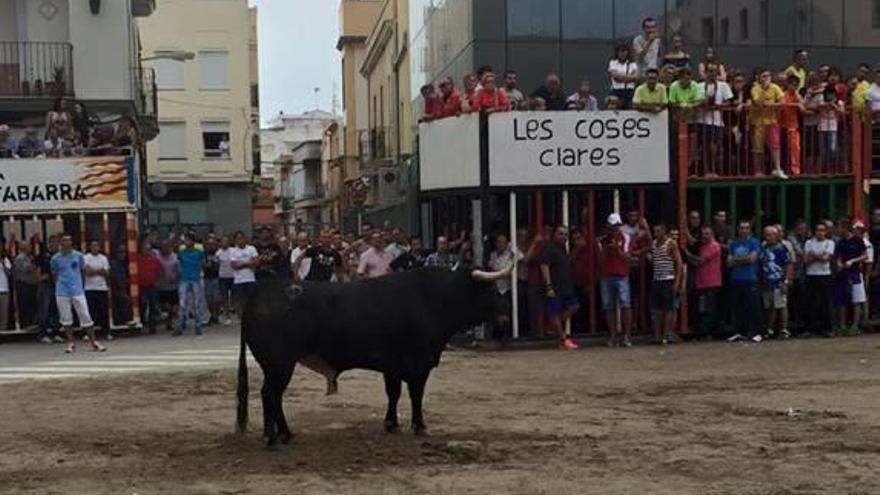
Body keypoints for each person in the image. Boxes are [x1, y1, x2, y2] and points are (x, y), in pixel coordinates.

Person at [51, 234, 105, 353]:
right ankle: (70, 343)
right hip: (62, 291)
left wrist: (80, 285)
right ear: (61, 243)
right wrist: (59, 286)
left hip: (77, 290)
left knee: (85, 315)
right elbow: (54, 274)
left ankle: (93, 341)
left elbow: (82, 270)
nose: (67, 243)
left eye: (69, 240)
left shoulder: (78, 256)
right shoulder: (55, 258)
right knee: (66, 318)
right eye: (64, 240)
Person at [540, 226, 579, 350]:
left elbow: (566, 262)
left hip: (565, 286)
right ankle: (562, 338)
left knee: (573, 306)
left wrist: (577, 248)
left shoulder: (562, 248)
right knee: (554, 312)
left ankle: (553, 327)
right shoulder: (549, 248)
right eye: (561, 234)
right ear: (554, 234)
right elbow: (544, 267)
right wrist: (549, 286)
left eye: (565, 234)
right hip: (555, 286)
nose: (564, 237)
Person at [598, 213, 632, 347]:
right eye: (612, 227)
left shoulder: (625, 237)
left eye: (616, 226)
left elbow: (627, 258)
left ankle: (627, 335)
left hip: (621, 274)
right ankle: (613, 335)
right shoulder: (601, 240)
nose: (614, 229)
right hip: (606, 275)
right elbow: (599, 261)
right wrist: (607, 248)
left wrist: (616, 249)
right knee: (608, 306)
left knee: (625, 304)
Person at [648, 224, 684, 345]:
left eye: (658, 231)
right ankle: (657, 335)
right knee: (656, 309)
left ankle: (666, 334)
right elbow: (655, 259)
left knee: (668, 308)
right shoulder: (653, 244)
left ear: (664, 232)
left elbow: (678, 262)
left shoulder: (670, 243)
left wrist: (677, 281)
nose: (656, 233)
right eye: (655, 231)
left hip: (668, 279)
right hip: (657, 279)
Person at [727, 220, 762, 342]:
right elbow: (729, 262)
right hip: (736, 278)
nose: (744, 230)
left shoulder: (754, 242)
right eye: (742, 228)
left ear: (750, 230)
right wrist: (743, 260)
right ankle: (739, 331)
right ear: (738, 229)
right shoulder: (734, 243)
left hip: (750, 278)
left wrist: (737, 260)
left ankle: (756, 332)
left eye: (746, 228)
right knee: (737, 307)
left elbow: (752, 259)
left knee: (752, 306)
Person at [697, 64, 733, 176]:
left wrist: (719, 105)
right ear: (706, 72)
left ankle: (714, 170)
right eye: (709, 71)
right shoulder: (699, 86)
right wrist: (703, 103)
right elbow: (696, 101)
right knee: (704, 147)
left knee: (714, 147)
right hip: (702, 120)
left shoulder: (723, 85)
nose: (712, 73)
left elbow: (729, 101)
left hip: (717, 121)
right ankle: (707, 171)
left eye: (714, 71)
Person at [750, 68, 787, 179]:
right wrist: (764, 91)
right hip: (758, 122)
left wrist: (770, 105)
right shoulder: (755, 89)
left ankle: (778, 169)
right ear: (759, 78)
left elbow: (782, 103)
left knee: (775, 145)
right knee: (758, 148)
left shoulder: (775, 87)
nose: (766, 79)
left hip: (772, 121)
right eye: (764, 76)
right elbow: (759, 103)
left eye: (768, 76)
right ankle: (758, 171)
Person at [834, 219, 867, 337]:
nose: (837, 230)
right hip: (843, 273)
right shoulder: (840, 242)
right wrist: (838, 263)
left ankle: (855, 325)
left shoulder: (858, 241)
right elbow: (838, 256)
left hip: (855, 273)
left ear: (845, 228)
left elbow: (864, 255)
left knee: (856, 300)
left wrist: (852, 261)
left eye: (839, 228)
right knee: (842, 299)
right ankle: (842, 326)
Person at [689, 226, 722, 339]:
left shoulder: (714, 246)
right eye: (703, 234)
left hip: (711, 282)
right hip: (701, 282)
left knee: (710, 309)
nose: (704, 236)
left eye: (707, 234)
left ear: (712, 234)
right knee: (702, 308)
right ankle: (702, 331)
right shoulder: (702, 246)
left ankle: (709, 332)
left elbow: (700, 261)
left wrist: (687, 254)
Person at [760, 226, 793, 339]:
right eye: (766, 234)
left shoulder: (782, 248)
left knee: (781, 305)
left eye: (770, 235)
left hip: (778, 281)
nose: (768, 237)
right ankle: (770, 329)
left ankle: (784, 329)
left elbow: (788, 265)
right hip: (766, 281)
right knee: (769, 306)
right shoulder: (763, 248)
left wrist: (786, 281)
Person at [803, 222, 835, 336]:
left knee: (825, 303)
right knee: (811, 302)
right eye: (818, 230)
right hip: (811, 275)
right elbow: (806, 260)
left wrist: (814, 256)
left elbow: (826, 258)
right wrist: (819, 256)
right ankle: (810, 328)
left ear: (826, 232)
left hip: (824, 275)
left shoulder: (830, 243)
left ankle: (827, 328)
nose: (820, 232)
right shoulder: (809, 242)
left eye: (822, 230)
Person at [176, 233, 208, 335]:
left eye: (189, 240)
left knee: (197, 303)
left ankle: (198, 325)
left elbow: (203, 263)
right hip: (184, 279)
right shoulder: (181, 253)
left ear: (193, 241)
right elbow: (179, 265)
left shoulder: (199, 252)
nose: (187, 242)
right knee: (182, 303)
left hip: (195, 279)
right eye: (186, 240)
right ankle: (180, 325)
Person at [488, 234, 517, 342]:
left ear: (507, 244)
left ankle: (505, 335)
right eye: (498, 242)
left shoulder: (510, 255)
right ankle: (498, 333)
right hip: (495, 288)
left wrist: (497, 273)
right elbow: (491, 268)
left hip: (506, 289)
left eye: (503, 242)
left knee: (505, 312)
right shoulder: (493, 255)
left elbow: (508, 272)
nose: (500, 244)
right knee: (495, 313)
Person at [83, 240, 111, 339]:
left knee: (103, 312)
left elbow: (106, 273)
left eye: (97, 246)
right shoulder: (85, 258)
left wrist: (94, 270)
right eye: (93, 245)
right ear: (90, 247)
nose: (95, 247)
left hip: (102, 288)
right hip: (89, 288)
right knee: (90, 312)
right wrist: (99, 271)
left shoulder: (103, 258)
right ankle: (89, 333)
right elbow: (86, 272)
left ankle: (106, 332)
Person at [36, 236, 62, 342]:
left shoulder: (60, 256)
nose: (54, 245)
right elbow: (37, 269)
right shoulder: (43, 255)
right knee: (44, 311)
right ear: (49, 243)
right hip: (45, 285)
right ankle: (43, 334)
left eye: (56, 242)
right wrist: (39, 278)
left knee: (56, 310)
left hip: (58, 285)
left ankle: (56, 332)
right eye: (52, 242)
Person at [780, 74, 804, 176]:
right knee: (783, 149)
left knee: (795, 148)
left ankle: (795, 170)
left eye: (796, 85)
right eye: (791, 84)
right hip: (782, 126)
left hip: (793, 126)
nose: (793, 87)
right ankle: (784, 169)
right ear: (788, 84)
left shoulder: (797, 95)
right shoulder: (783, 95)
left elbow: (803, 107)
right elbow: (782, 105)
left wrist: (798, 101)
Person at [229, 231, 259, 315]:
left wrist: (242, 263)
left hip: (250, 279)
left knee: (252, 302)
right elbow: (234, 266)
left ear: (245, 238)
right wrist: (249, 263)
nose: (240, 240)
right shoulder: (233, 251)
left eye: (241, 238)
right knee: (240, 303)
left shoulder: (251, 248)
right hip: (238, 281)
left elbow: (256, 262)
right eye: (237, 239)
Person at [137, 239, 163, 334]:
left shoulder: (154, 260)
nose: (146, 250)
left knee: (153, 305)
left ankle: (152, 326)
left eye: (148, 249)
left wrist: (158, 281)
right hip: (141, 285)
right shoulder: (137, 259)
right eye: (144, 248)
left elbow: (161, 271)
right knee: (142, 304)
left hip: (152, 285)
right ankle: (142, 321)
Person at [13, 242, 39, 330]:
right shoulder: (20, 258)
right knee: (25, 304)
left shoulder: (29, 257)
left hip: (31, 284)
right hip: (24, 284)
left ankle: (32, 323)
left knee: (31, 304)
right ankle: (25, 324)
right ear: (23, 247)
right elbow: (26, 269)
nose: (30, 247)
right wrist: (35, 265)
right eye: (28, 246)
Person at [818, 87, 845, 170]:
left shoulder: (839, 102)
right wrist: (828, 104)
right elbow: (817, 106)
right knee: (823, 150)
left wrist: (833, 105)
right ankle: (823, 169)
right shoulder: (821, 101)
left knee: (832, 149)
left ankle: (832, 168)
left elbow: (842, 112)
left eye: (832, 94)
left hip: (833, 127)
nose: (830, 96)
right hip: (822, 127)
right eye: (828, 94)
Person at [608, 44, 639, 110]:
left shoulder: (632, 64)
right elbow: (615, 77)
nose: (623, 54)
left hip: (629, 91)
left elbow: (635, 77)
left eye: (625, 51)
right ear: (617, 53)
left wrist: (621, 76)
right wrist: (629, 77)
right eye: (621, 51)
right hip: (616, 91)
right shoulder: (613, 63)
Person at [157, 241, 179, 332]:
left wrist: (176, 277)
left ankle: (171, 323)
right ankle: (168, 321)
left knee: (174, 306)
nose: (165, 249)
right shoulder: (158, 258)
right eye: (163, 247)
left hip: (173, 286)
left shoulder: (176, 258)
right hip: (162, 286)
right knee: (166, 306)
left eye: (167, 247)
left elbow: (180, 271)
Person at [109, 244, 132, 326]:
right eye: (120, 252)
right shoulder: (114, 264)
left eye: (124, 252)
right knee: (124, 301)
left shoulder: (123, 264)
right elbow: (116, 278)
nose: (123, 255)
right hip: (117, 289)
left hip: (123, 288)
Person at [216, 236, 235, 325]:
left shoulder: (233, 251)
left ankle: (238, 314)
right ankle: (227, 316)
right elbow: (217, 265)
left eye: (226, 241)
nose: (224, 243)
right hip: (223, 277)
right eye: (223, 242)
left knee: (235, 297)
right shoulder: (218, 253)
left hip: (233, 276)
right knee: (225, 298)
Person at [0, 248, 10, 332]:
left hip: (4, 289)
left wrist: (3, 264)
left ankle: (2, 332)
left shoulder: (5, 259)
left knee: (4, 313)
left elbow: (9, 273)